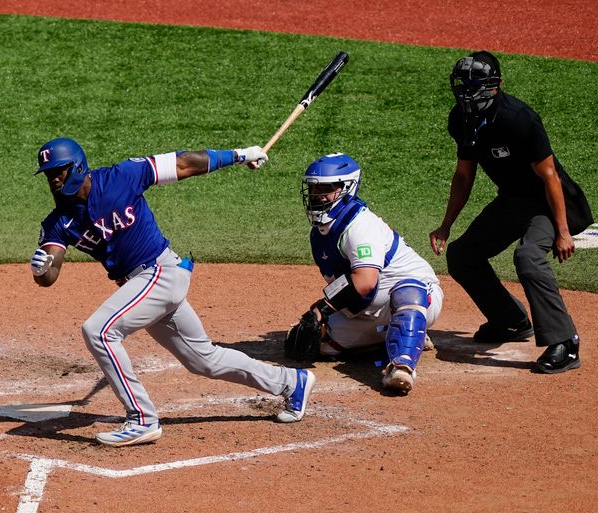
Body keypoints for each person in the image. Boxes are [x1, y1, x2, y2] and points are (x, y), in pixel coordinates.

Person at [29, 137, 315, 447]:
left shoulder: (122, 176)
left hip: (160, 272)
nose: (53, 179)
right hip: (144, 286)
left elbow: (183, 163)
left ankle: (141, 419)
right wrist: (41, 268)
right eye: (48, 174)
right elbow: (50, 273)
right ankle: (292, 382)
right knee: (204, 360)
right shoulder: (59, 221)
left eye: (59, 171)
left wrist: (240, 155)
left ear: (78, 166)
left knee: (99, 331)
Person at [429, 50, 593, 374]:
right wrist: (446, 226)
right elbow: (464, 175)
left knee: (528, 256)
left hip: (546, 203)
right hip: (512, 201)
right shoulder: (461, 120)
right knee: (462, 255)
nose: (468, 92)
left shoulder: (518, 118)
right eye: (463, 85)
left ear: (496, 84)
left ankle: (565, 343)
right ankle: (510, 320)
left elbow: (550, 177)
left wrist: (561, 231)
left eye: (475, 85)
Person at [285, 152, 444, 394]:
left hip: (416, 296)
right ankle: (402, 337)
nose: (317, 196)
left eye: (326, 189)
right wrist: (317, 315)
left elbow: (365, 282)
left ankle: (402, 366)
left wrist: (324, 308)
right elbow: (345, 284)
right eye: (314, 189)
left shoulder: (361, 226)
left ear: (346, 189)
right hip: (367, 310)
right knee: (317, 344)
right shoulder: (320, 233)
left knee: (407, 291)